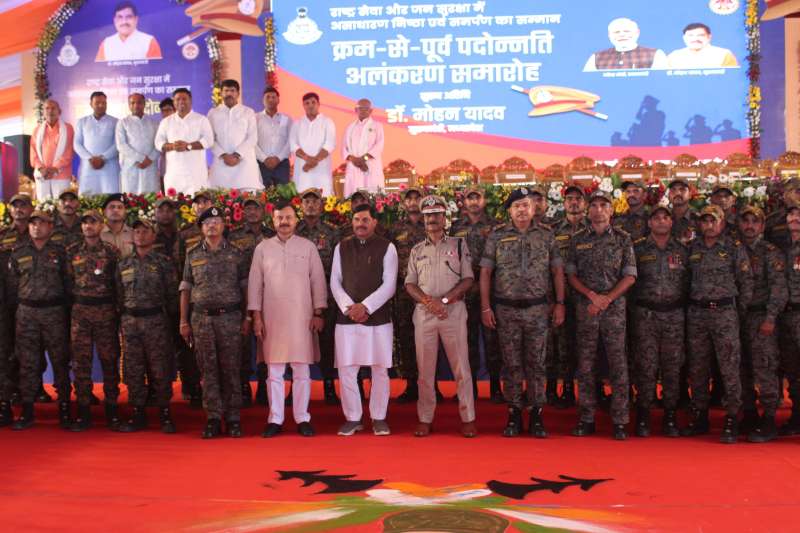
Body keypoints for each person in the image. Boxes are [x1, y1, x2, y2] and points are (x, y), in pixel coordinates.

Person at [481, 187, 566, 438]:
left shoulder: (546, 235)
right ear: (509, 210)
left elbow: (557, 271)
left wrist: (560, 303)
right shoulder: (497, 235)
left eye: (526, 205)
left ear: (534, 208)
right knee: (512, 364)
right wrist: (485, 306)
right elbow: (485, 272)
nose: (521, 210)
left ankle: (537, 414)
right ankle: (514, 413)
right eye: (516, 206)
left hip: (538, 310)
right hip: (506, 310)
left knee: (537, 364)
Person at [249, 200, 328, 438]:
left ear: (296, 220)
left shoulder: (308, 247)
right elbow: (255, 285)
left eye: (288, 218)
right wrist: (256, 317)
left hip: (302, 317)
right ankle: (275, 419)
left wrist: (318, 313)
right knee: (274, 371)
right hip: (272, 318)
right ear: (273, 221)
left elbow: (318, 281)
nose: (284, 222)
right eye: (280, 218)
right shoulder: (262, 248)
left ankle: (302, 417)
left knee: (301, 369)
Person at [566, 190, 637, 440]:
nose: (598, 210)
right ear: (588, 210)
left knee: (618, 364)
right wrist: (592, 296)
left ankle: (620, 420)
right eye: (594, 205)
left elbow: (630, 276)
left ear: (611, 210)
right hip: (587, 308)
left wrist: (607, 298)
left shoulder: (623, 239)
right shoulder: (577, 239)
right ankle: (587, 418)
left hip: (613, 310)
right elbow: (571, 275)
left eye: (603, 205)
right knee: (586, 365)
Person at [407, 195, 477, 437]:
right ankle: (425, 418)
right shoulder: (417, 250)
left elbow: (468, 279)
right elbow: (410, 284)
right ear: (423, 219)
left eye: (436, 214)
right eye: (427, 215)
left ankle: (468, 418)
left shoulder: (458, 245)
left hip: (452, 312)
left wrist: (444, 300)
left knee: (461, 368)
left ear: (444, 217)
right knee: (425, 371)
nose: (432, 219)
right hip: (425, 314)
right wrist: (429, 301)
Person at [682, 204, 753, 443]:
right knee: (698, 367)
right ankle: (700, 415)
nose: (709, 225)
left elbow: (746, 282)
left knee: (729, 366)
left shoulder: (733, 247)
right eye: (705, 221)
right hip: (697, 314)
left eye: (714, 220)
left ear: (722, 223)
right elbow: (684, 280)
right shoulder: (692, 248)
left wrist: (737, 312)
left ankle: (732, 417)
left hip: (724, 313)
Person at [180, 207, 250, 439]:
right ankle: (212, 418)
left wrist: (248, 317)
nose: (211, 225)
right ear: (201, 228)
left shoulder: (236, 253)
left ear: (223, 226)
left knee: (231, 369)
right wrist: (183, 321)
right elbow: (186, 289)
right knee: (207, 370)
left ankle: (233, 418)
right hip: (202, 320)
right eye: (207, 222)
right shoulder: (192, 254)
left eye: (216, 221)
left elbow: (245, 288)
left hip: (230, 319)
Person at [330, 203, 397, 436]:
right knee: (347, 370)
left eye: (365, 220)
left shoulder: (387, 247)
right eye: (357, 220)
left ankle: (379, 417)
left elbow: (390, 284)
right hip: (347, 318)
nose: (360, 224)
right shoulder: (342, 247)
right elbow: (335, 281)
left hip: (378, 318)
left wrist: (366, 306)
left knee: (380, 369)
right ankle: (353, 418)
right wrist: (350, 308)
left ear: (374, 222)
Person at [7, 209, 71, 430]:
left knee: (60, 361)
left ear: (50, 227)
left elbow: (68, 283)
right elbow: (12, 286)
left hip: (54, 312)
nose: (36, 227)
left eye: (41, 223)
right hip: (27, 313)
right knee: (27, 363)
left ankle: (65, 408)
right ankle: (27, 410)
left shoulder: (61, 252)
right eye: (33, 223)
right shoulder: (18, 252)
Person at [630, 206, 688, 437]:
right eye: (656, 218)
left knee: (672, 367)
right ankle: (643, 414)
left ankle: (670, 416)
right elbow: (630, 281)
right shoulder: (637, 249)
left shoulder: (683, 250)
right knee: (646, 366)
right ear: (649, 223)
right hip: (646, 315)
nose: (661, 221)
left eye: (665, 217)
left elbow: (689, 282)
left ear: (671, 222)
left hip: (674, 315)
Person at [116, 217, 178, 434]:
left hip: (156, 322)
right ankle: (137, 413)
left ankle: (165, 414)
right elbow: (118, 295)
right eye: (137, 231)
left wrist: (169, 321)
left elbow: (172, 295)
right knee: (133, 369)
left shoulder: (163, 262)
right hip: (131, 323)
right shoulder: (123, 264)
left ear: (153, 235)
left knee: (160, 369)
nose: (140, 235)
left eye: (145, 231)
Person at [65, 210, 122, 431]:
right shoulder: (72, 252)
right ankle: (84, 411)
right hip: (80, 313)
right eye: (85, 223)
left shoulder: (111, 252)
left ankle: (113, 410)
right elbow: (67, 282)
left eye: (93, 222)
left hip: (105, 312)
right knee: (81, 363)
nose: (88, 226)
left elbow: (118, 284)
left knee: (109, 361)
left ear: (101, 226)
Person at [737, 205, 787, 443]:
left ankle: (768, 418)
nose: (750, 226)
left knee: (765, 367)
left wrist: (770, 318)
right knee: (741, 367)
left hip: (761, 317)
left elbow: (779, 289)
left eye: (754, 221)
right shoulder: (733, 250)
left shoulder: (770, 252)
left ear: (762, 225)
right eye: (745, 221)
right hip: (737, 317)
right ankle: (748, 413)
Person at [449, 186, 503, 402]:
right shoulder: (455, 228)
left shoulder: (496, 226)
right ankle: (469, 387)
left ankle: (495, 387)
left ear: (484, 200)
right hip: (464, 294)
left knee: (493, 342)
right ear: (464, 202)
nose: (473, 202)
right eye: (469, 198)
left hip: (491, 291)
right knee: (466, 342)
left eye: (477, 197)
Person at [228, 196, 275, 407]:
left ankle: (265, 385)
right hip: (241, 296)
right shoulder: (233, 236)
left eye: (256, 208)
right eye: (248, 209)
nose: (252, 212)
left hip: (269, 295)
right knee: (243, 342)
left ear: (263, 211)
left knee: (267, 340)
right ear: (243, 213)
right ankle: (245, 385)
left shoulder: (272, 235)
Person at [296, 187, 341, 404]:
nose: (311, 205)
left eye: (315, 201)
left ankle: (329, 384)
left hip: (327, 294)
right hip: (299, 295)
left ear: (322, 206)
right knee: (298, 340)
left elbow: (339, 265)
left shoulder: (332, 231)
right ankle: (296, 386)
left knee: (327, 341)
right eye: (307, 202)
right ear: (301, 206)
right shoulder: (294, 231)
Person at [549, 184, 590, 408]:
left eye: (578, 198)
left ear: (585, 203)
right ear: (563, 203)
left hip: (588, 297)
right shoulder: (553, 229)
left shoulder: (594, 227)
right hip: (561, 296)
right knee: (561, 345)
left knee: (587, 345)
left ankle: (590, 390)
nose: (574, 202)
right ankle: (564, 388)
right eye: (570, 198)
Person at [390, 187, 429, 402]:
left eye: (417, 198)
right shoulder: (395, 229)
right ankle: (412, 384)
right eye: (409, 198)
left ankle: (431, 385)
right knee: (407, 338)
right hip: (404, 293)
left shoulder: (433, 225)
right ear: (404, 203)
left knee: (430, 338)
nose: (413, 202)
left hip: (428, 291)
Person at [155, 88, 214, 195]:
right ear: (174, 102)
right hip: (174, 175)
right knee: (174, 203)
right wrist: (173, 146)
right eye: (177, 99)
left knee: (197, 203)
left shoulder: (201, 119)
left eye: (184, 99)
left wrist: (188, 146)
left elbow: (209, 140)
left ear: (190, 100)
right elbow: (158, 143)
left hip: (196, 174)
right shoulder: (166, 122)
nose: (181, 102)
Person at [208, 79, 260, 190]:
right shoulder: (213, 113)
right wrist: (224, 155)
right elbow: (210, 139)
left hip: (244, 163)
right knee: (219, 196)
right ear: (221, 93)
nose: (229, 94)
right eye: (226, 91)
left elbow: (252, 138)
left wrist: (237, 155)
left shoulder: (248, 112)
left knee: (247, 196)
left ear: (238, 93)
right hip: (221, 163)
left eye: (232, 91)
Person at [289, 92, 336, 196]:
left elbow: (330, 144)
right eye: (307, 103)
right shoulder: (297, 123)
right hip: (303, 170)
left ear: (318, 104)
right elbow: (293, 145)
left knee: (323, 198)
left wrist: (314, 161)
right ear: (303, 105)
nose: (310, 105)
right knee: (302, 199)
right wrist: (307, 159)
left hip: (321, 170)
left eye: (313, 102)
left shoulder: (327, 121)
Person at [74, 91, 120, 195]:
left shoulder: (116, 122)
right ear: (91, 104)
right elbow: (77, 144)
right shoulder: (82, 122)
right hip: (88, 166)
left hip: (109, 167)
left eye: (104, 103)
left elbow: (117, 144)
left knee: (110, 197)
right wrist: (90, 158)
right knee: (88, 197)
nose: (101, 105)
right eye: (97, 103)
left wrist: (103, 158)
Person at [780, 201, 800, 436]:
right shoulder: (783, 248)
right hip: (787, 315)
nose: (795, 218)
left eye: (799, 214)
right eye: (791, 214)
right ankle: (797, 415)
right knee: (792, 370)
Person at [583, 17, 668, 71]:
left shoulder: (655, 54)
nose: (622, 35)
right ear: (609, 35)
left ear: (637, 33)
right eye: (616, 32)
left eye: (627, 31)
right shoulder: (596, 57)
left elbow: (661, 82)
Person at [30, 99, 74, 200]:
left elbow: (69, 152)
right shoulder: (37, 130)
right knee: (43, 205)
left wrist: (54, 169)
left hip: (61, 174)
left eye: (53, 108)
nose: (50, 111)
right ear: (43, 112)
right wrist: (41, 169)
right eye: (47, 108)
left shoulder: (68, 128)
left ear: (59, 111)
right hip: (43, 174)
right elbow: (33, 153)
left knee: (62, 204)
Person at [116, 93, 160, 194]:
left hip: (150, 166)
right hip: (131, 166)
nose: (136, 105)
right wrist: (141, 158)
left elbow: (158, 144)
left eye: (139, 102)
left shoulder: (154, 123)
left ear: (144, 104)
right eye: (132, 103)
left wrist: (150, 159)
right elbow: (121, 145)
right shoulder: (123, 123)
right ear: (129, 105)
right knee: (130, 197)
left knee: (150, 197)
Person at [342, 98, 385, 196]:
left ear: (371, 110)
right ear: (355, 110)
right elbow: (344, 148)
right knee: (354, 196)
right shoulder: (350, 127)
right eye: (361, 108)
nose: (364, 110)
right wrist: (353, 159)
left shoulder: (377, 126)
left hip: (370, 166)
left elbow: (379, 145)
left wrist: (363, 159)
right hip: (354, 166)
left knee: (373, 195)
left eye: (366, 108)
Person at [96, 1, 162, 62]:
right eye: (120, 17)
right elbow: (99, 70)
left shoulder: (149, 41)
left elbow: (157, 69)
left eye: (129, 17)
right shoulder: (106, 43)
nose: (124, 21)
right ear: (115, 20)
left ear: (136, 19)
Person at [255, 87, 292, 188]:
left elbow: (291, 141)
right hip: (261, 164)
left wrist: (278, 158)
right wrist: (264, 158)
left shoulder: (286, 119)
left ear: (278, 100)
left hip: (282, 164)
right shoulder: (255, 118)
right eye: (268, 97)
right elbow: (252, 141)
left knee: (283, 194)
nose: (271, 99)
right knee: (262, 194)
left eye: (273, 97)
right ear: (263, 100)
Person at [667, 23, 738, 69]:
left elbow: (732, 78)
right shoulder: (674, 56)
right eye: (690, 35)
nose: (695, 39)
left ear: (709, 37)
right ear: (684, 38)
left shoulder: (724, 54)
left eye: (700, 35)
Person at [100, 193, 134, 258]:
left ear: (125, 213)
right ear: (104, 212)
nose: (116, 210)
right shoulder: (97, 233)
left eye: (120, 207)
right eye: (112, 207)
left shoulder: (133, 234)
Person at [668, 177, 698, 246]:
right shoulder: (664, 218)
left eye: (682, 189)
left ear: (690, 194)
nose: (677, 193)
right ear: (669, 195)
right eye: (673, 190)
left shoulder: (698, 218)